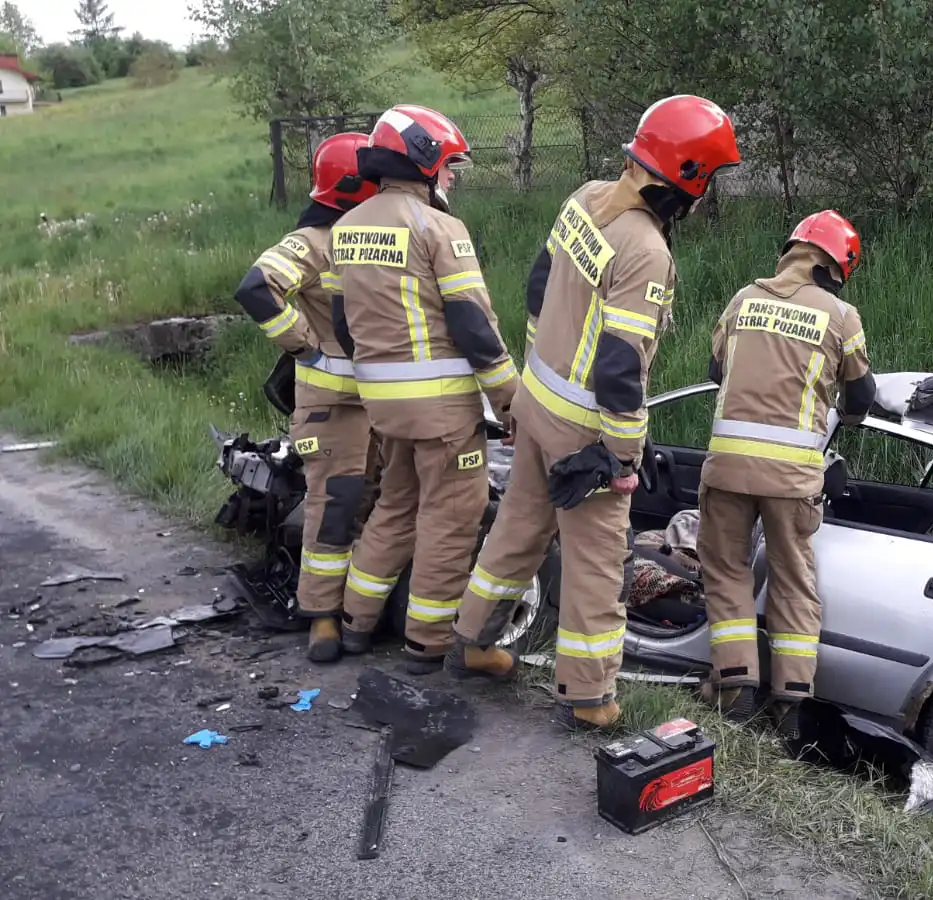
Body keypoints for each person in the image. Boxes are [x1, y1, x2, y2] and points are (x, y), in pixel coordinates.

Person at [450, 95, 741, 731]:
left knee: (518, 529)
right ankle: (590, 698)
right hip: (586, 433)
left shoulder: (586, 198)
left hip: (537, 401)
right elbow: (617, 368)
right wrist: (625, 456)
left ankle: (472, 641)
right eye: (709, 178)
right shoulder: (647, 251)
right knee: (598, 565)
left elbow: (537, 284)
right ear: (689, 177)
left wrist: (532, 378)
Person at [330, 104, 520, 674]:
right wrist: (509, 395)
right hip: (441, 408)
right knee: (452, 515)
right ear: (423, 161)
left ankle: (354, 623)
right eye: (449, 164)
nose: (453, 176)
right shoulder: (439, 228)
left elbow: (344, 324)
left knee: (396, 504)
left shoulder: (346, 228)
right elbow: (472, 324)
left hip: (382, 403)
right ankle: (428, 641)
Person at [694, 210, 875, 737]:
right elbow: (861, 396)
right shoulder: (841, 316)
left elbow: (714, 372)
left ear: (792, 249)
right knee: (794, 581)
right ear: (837, 266)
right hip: (793, 480)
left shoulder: (742, 301)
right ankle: (791, 703)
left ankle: (734, 687)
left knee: (726, 571)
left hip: (727, 469)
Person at [230, 131, 379, 663]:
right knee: (333, 510)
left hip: (382, 406)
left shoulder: (377, 236)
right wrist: (304, 345)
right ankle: (321, 616)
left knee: (376, 508)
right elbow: (255, 288)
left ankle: (363, 612)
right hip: (334, 409)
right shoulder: (315, 241)